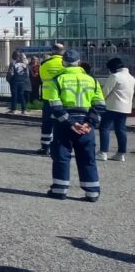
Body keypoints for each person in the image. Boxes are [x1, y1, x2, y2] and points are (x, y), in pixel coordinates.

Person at [44, 50, 106, 202]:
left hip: (64, 123)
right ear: (78, 62)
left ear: (63, 62)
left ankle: (59, 189)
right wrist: (89, 123)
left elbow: (55, 105)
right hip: (85, 122)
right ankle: (92, 192)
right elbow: (100, 104)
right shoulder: (91, 80)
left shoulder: (57, 79)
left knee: (61, 156)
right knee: (87, 157)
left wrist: (70, 123)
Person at [99, 58, 133, 162]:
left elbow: (105, 92)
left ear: (113, 68)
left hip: (112, 106)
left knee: (104, 128)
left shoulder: (115, 76)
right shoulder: (131, 78)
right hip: (125, 107)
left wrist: (98, 102)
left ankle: (103, 152)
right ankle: (121, 153)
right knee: (121, 130)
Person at [36, 44, 67, 155]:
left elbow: (42, 78)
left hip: (48, 97)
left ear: (52, 51)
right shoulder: (66, 64)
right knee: (63, 121)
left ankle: (45, 147)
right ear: (63, 51)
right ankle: (61, 147)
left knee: (47, 123)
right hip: (64, 98)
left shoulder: (44, 64)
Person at [7, 50, 31, 115]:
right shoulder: (24, 64)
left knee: (14, 95)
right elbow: (27, 73)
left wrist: (9, 80)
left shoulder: (13, 63)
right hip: (22, 81)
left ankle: (13, 109)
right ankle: (24, 110)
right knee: (22, 95)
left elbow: (11, 73)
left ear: (14, 56)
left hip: (14, 81)